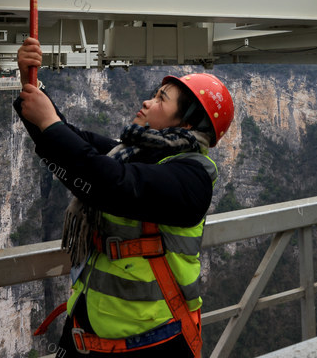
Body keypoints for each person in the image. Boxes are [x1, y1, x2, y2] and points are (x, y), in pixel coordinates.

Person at [14, 37, 234, 357]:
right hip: (88, 333)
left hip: (152, 340)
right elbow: (72, 145)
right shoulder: (133, 154)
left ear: (186, 124)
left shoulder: (191, 179)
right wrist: (28, 80)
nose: (147, 102)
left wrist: (50, 123)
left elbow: (111, 184)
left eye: (161, 99)